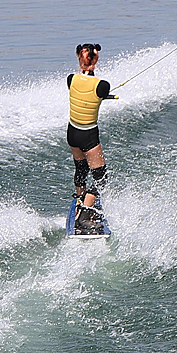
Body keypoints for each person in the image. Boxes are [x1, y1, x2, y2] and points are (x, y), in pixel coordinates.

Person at [67, 43, 111, 232]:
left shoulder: (71, 79)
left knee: (81, 168)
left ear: (79, 56)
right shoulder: (102, 85)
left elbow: (83, 92)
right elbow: (98, 93)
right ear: (97, 59)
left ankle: (79, 199)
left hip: (72, 133)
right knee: (101, 178)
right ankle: (85, 212)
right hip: (88, 135)